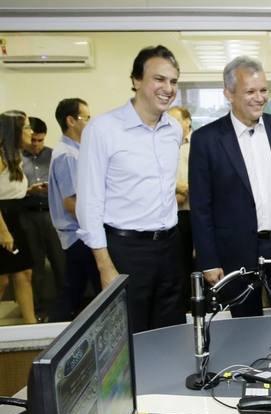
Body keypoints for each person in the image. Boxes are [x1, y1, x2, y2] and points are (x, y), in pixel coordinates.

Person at [190, 56, 271, 318]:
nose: (260, 98)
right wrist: (209, 261)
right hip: (235, 252)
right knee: (245, 324)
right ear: (229, 94)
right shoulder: (206, 140)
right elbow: (201, 207)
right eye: (250, 91)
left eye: (263, 90)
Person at [76, 45, 184, 333]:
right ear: (136, 80)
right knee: (127, 337)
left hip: (170, 248)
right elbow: (89, 202)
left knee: (170, 333)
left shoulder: (174, 129)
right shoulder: (102, 129)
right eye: (159, 79)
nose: (168, 88)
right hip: (125, 252)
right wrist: (104, 266)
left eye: (173, 81)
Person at [48, 98, 100, 321]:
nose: (89, 122)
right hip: (78, 234)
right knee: (77, 289)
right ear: (70, 120)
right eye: (85, 117)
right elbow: (71, 203)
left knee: (80, 287)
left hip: (82, 233)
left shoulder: (77, 151)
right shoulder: (66, 155)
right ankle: (53, 331)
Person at [21, 116, 64, 320]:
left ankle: (65, 308)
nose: (36, 145)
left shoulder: (53, 155)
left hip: (50, 214)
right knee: (35, 265)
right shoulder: (17, 159)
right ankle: (38, 310)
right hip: (27, 216)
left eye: (40, 140)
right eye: (33, 140)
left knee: (59, 261)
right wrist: (29, 191)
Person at [0, 111, 36, 324]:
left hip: (17, 217)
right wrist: (3, 232)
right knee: (3, 280)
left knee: (24, 273)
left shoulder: (16, 157)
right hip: (4, 222)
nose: (30, 132)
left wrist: (29, 191)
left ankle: (31, 326)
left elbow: (8, 190)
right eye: (26, 127)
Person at [168, 105, 193, 310]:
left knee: (203, 262)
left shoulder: (198, 143)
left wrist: (186, 190)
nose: (172, 125)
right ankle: (185, 306)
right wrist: (178, 190)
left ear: (187, 121)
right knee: (180, 261)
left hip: (196, 211)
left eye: (176, 120)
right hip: (176, 213)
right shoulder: (166, 144)